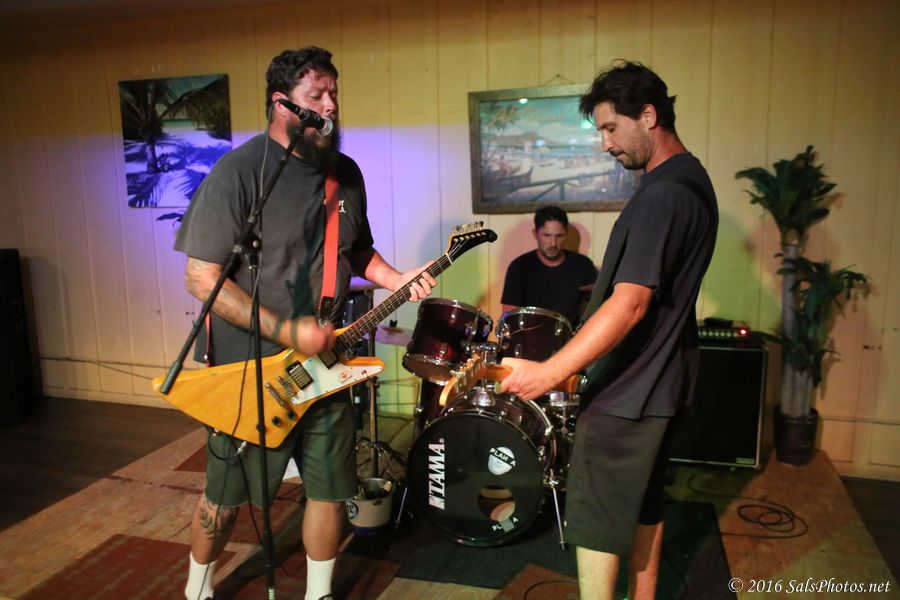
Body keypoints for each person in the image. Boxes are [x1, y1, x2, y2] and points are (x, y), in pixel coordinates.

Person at [174, 47, 435, 600]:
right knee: (225, 496)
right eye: (316, 96)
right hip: (249, 371)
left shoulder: (345, 174)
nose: (331, 105)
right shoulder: (239, 172)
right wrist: (288, 332)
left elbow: (356, 250)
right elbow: (202, 277)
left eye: (334, 93)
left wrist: (395, 277)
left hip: (327, 363)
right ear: (282, 104)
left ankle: (318, 594)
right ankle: (197, 589)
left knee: (329, 487)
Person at [498, 61, 718, 600]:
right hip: (661, 385)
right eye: (599, 131)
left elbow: (631, 302)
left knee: (596, 520)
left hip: (629, 391)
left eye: (611, 128)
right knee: (644, 505)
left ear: (649, 116)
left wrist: (549, 372)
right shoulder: (691, 179)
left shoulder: (665, 195)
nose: (605, 144)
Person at [500, 205, 597, 328]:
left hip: (572, 336)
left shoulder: (582, 265)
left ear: (566, 234)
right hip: (530, 336)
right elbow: (509, 315)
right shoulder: (519, 267)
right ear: (535, 234)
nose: (553, 243)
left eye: (559, 236)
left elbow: (598, 307)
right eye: (547, 235)